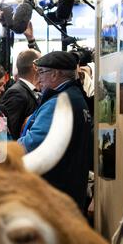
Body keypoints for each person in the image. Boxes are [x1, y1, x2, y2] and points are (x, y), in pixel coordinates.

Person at [18, 51, 92, 213]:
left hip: (53, 191)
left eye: (42, 72)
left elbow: (33, 144)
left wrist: (7, 151)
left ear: (55, 74)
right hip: (71, 190)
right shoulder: (77, 98)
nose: (38, 78)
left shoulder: (58, 103)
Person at [0, 49, 42, 140]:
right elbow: (10, 131)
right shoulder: (16, 93)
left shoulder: (31, 91)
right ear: (35, 66)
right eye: (42, 62)